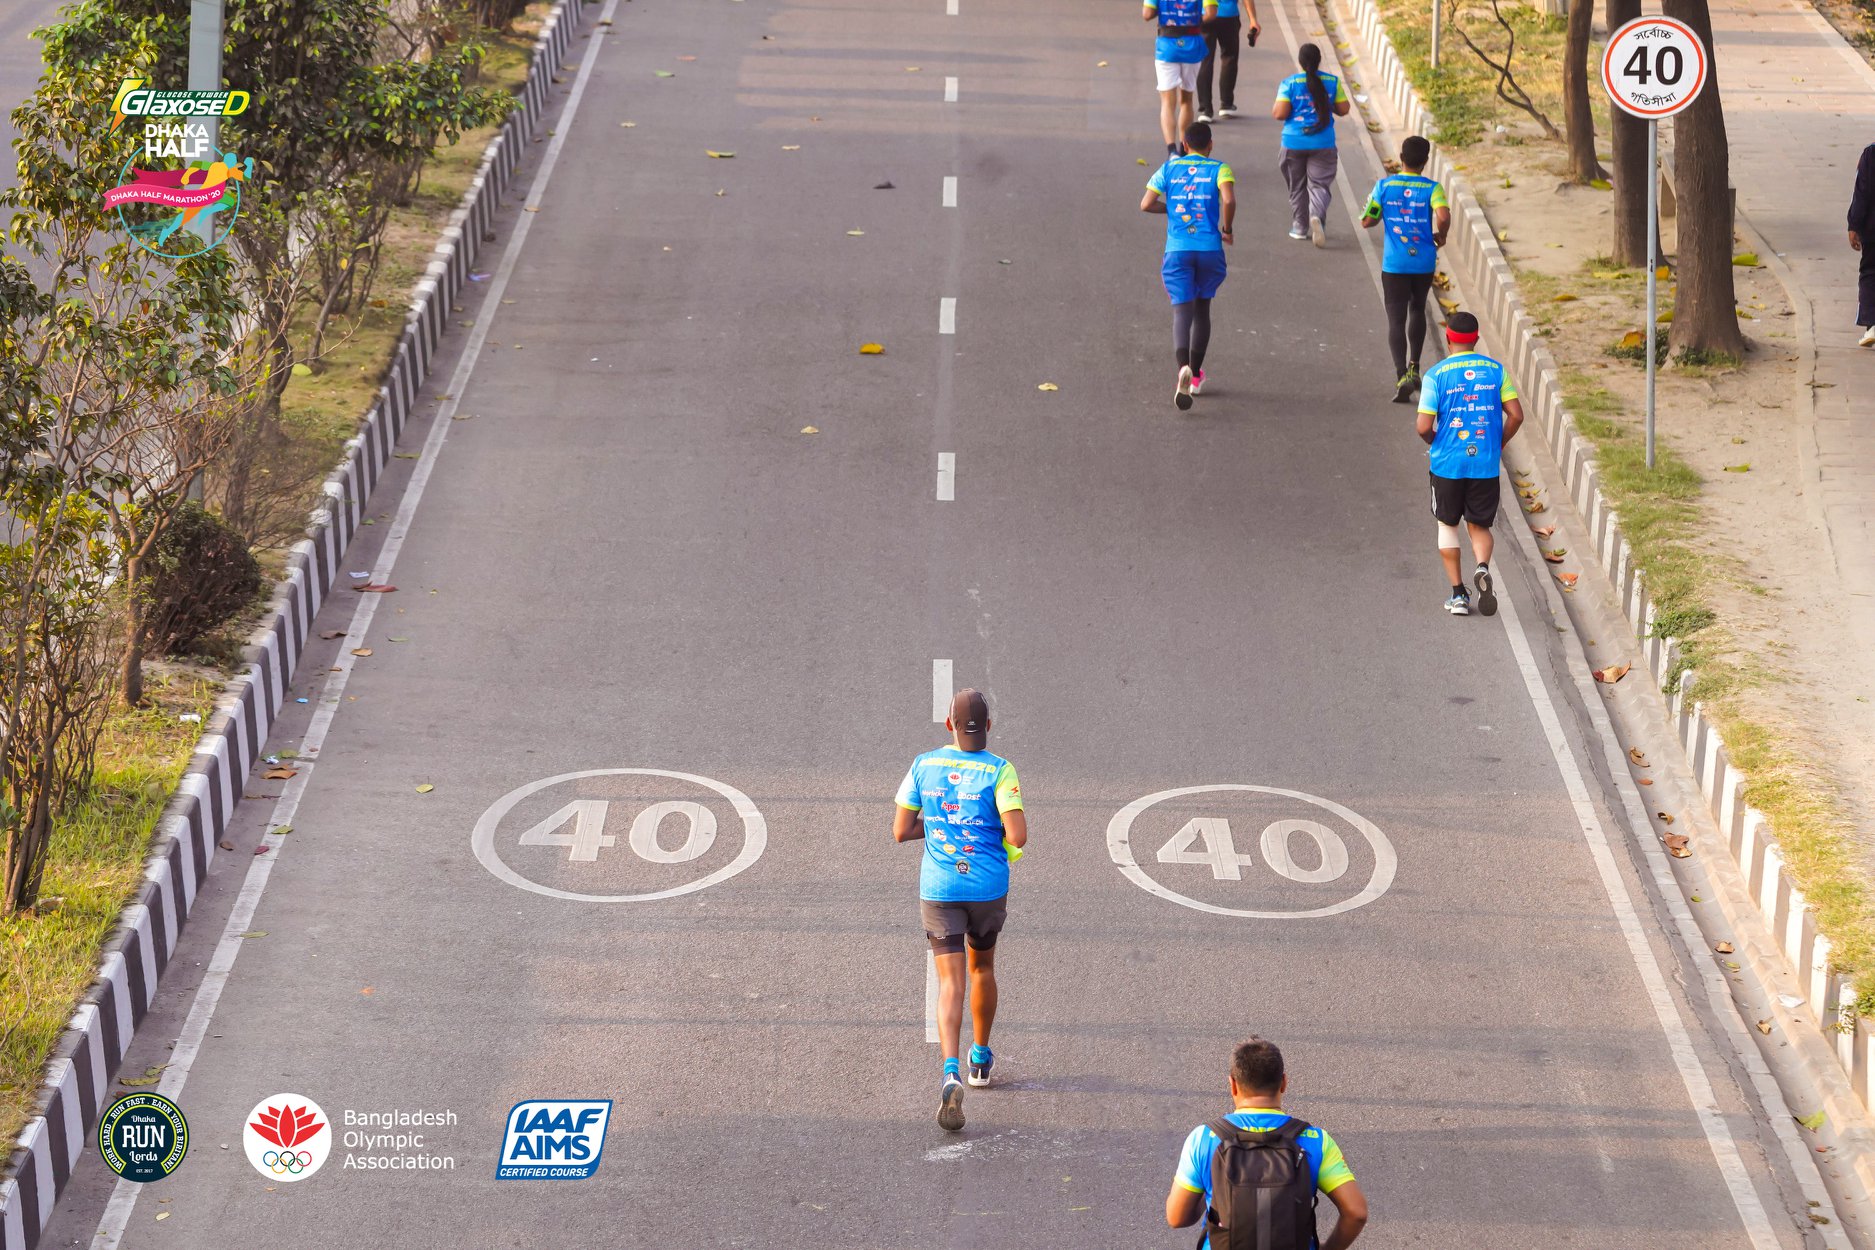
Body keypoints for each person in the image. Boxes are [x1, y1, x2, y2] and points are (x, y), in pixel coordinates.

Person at [893, 689, 1028, 1132]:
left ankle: (950, 1070)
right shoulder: (1000, 771)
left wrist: (936, 826)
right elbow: (1018, 835)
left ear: (948, 725)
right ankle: (980, 1060)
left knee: (949, 982)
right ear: (988, 726)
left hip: (939, 887)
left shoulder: (923, 765)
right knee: (982, 968)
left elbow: (900, 830)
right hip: (987, 887)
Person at [1166, 1037, 1369, 1250]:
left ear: (1233, 1085)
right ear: (1283, 1083)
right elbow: (1356, 1213)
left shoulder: (1203, 1139)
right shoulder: (1316, 1141)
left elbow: (1177, 1218)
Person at [1416, 310, 1524, 617]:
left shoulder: (1435, 376)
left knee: (1447, 524)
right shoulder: (1496, 371)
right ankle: (1482, 567)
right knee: (1479, 524)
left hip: (1447, 464)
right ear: (1476, 339)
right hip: (1484, 464)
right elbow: (1516, 415)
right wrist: (1498, 443)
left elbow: (1423, 426)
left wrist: (1434, 441)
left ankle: (1458, 595)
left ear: (1448, 338)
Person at [1142, 121, 1235, 410]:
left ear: (1184, 145)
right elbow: (1229, 199)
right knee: (1202, 309)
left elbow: (1146, 204)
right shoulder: (1220, 168)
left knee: (1182, 311)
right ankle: (1195, 375)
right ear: (1210, 145)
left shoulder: (1169, 168)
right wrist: (1227, 228)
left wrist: (1171, 209)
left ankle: (1182, 367)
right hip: (1209, 250)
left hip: (1178, 252)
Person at [1362, 135, 1451, 402]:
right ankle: (1414, 367)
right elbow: (1443, 215)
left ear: (1401, 158)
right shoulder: (1433, 188)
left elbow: (1368, 220)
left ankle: (1401, 374)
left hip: (1395, 264)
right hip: (1423, 262)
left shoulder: (1384, 186)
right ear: (1425, 162)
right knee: (1418, 309)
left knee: (1396, 318)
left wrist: (1384, 214)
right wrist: (1441, 235)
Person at [1271, 43, 1349, 247]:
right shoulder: (1332, 82)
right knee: (1319, 184)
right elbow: (1344, 109)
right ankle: (1317, 215)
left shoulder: (1289, 83)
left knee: (1297, 186)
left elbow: (1279, 114)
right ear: (1319, 59)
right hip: (1323, 143)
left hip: (1293, 142)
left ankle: (1299, 226)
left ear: (1300, 61)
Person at [1144, 0, 1219, 158]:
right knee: (1186, 100)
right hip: (1192, 46)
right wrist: (1193, 21)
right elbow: (1211, 13)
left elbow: (1147, 14)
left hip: (1167, 47)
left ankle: (1172, 151)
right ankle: (1184, 149)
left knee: (1167, 102)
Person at [1196, 0, 1261, 123]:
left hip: (1205, 14)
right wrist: (1253, 19)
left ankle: (1206, 110)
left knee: (1205, 60)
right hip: (1229, 16)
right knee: (1229, 57)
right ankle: (1226, 104)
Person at [1850, 141, 1875, 347]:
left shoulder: (1871, 153)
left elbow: (1861, 194)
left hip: (1872, 232)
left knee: (1869, 273)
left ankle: (1872, 326)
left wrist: (1853, 225)